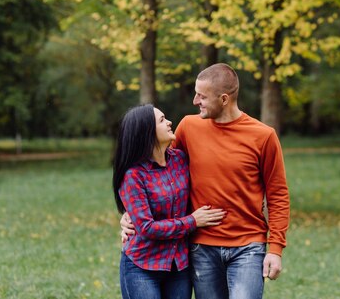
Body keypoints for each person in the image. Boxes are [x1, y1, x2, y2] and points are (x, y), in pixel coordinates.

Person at [121, 63, 290, 299]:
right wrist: (130, 213)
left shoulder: (263, 136)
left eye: (202, 96)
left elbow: (278, 194)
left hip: (248, 246)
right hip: (201, 247)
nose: (194, 101)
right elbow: (159, 168)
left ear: (223, 99)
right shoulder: (189, 127)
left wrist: (275, 248)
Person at [113, 104, 226, 299]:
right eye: (162, 120)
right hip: (142, 266)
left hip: (178, 266)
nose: (169, 122)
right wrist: (193, 221)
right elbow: (147, 228)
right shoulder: (133, 175)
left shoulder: (180, 159)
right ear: (147, 131)